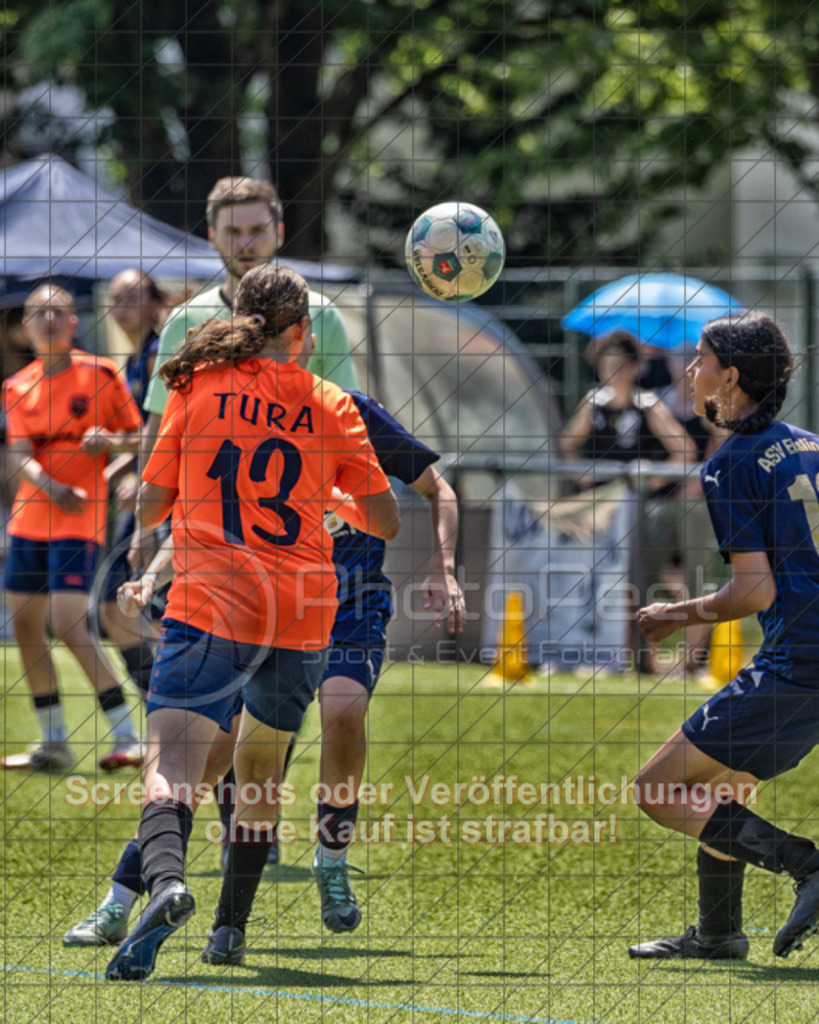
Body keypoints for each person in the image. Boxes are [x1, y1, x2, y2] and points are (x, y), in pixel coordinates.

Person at [62, 390, 465, 958]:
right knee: (214, 762)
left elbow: (434, 491)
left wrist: (443, 569)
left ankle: (330, 860)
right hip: (262, 609)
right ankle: (122, 900)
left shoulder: (352, 412)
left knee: (342, 712)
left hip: (347, 605)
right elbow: (203, 512)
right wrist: (154, 574)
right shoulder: (236, 410)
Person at [104, 264, 399, 982]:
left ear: (239, 318)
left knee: (173, 762)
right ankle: (228, 932)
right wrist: (328, 493)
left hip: (212, 599)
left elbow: (146, 509)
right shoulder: (330, 401)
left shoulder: (192, 387)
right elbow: (384, 520)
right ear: (301, 333)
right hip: (302, 609)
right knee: (261, 767)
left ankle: (168, 882)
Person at [630, 312, 819, 961]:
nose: (689, 371)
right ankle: (717, 932)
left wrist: (672, 614)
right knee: (725, 778)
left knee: (656, 789)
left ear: (729, 377)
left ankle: (806, 866)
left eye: (700, 359)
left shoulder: (728, 465)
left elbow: (753, 592)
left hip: (800, 661)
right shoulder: (809, 444)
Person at [130, 175, 358, 572]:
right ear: (213, 236)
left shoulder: (322, 315)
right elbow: (158, 424)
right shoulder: (185, 322)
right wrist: (142, 527)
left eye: (257, 230)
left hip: (297, 529)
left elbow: (347, 420)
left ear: (280, 233)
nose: (246, 243)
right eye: (233, 232)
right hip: (205, 531)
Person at [1, 284, 142, 772]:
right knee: (24, 626)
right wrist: (48, 485)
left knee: (67, 623)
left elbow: (142, 436)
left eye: (58, 311)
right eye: (38, 314)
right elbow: (19, 455)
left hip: (79, 521)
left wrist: (111, 453)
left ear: (74, 321)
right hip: (29, 520)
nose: (49, 320)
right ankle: (54, 743)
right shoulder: (16, 386)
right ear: (25, 328)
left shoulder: (100, 374)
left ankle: (129, 735)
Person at [559, 331, 695, 672]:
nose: (615, 371)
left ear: (635, 367)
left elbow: (685, 451)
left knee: (639, 581)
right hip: (601, 510)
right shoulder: (593, 403)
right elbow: (568, 446)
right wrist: (583, 474)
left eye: (622, 364)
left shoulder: (647, 404)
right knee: (597, 581)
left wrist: (655, 478)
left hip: (639, 509)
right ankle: (604, 653)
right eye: (608, 364)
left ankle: (643, 657)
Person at [97, 270, 170, 731]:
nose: (120, 308)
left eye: (130, 298)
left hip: (164, 499)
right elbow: (144, 434)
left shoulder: (160, 351)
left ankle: (186, 692)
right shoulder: (132, 360)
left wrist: (136, 475)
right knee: (115, 610)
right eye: (114, 299)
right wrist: (112, 468)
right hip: (150, 492)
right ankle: (161, 705)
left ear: (153, 302)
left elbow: (161, 433)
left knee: (125, 608)